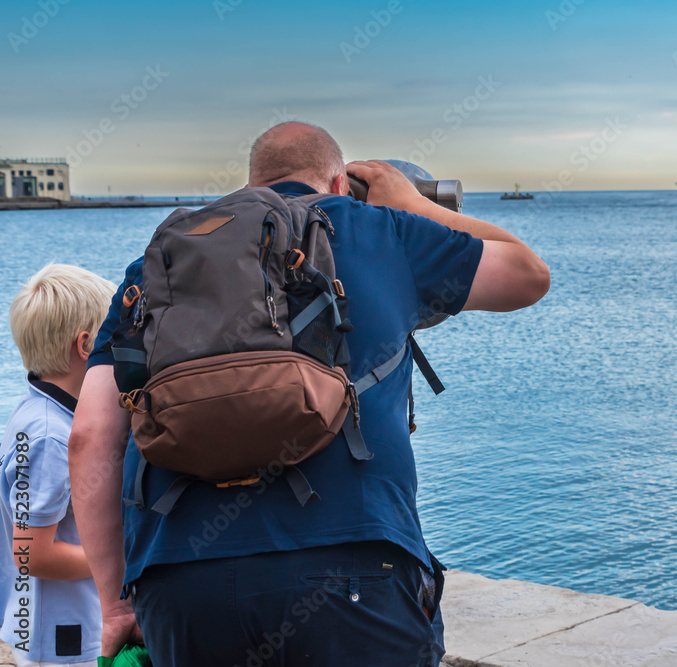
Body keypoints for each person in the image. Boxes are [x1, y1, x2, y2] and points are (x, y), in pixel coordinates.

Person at [68, 121, 550, 666]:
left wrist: (114, 606)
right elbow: (528, 275)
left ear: (251, 184)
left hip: (179, 578)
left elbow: (89, 439)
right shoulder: (381, 229)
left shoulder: (158, 263)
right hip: (352, 565)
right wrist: (415, 204)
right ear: (341, 183)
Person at [0, 264, 116, 667]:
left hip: (38, 624)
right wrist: (118, 557)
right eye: (114, 335)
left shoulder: (34, 412)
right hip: (63, 635)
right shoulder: (50, 435)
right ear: (86, 345)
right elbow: (32, 553)